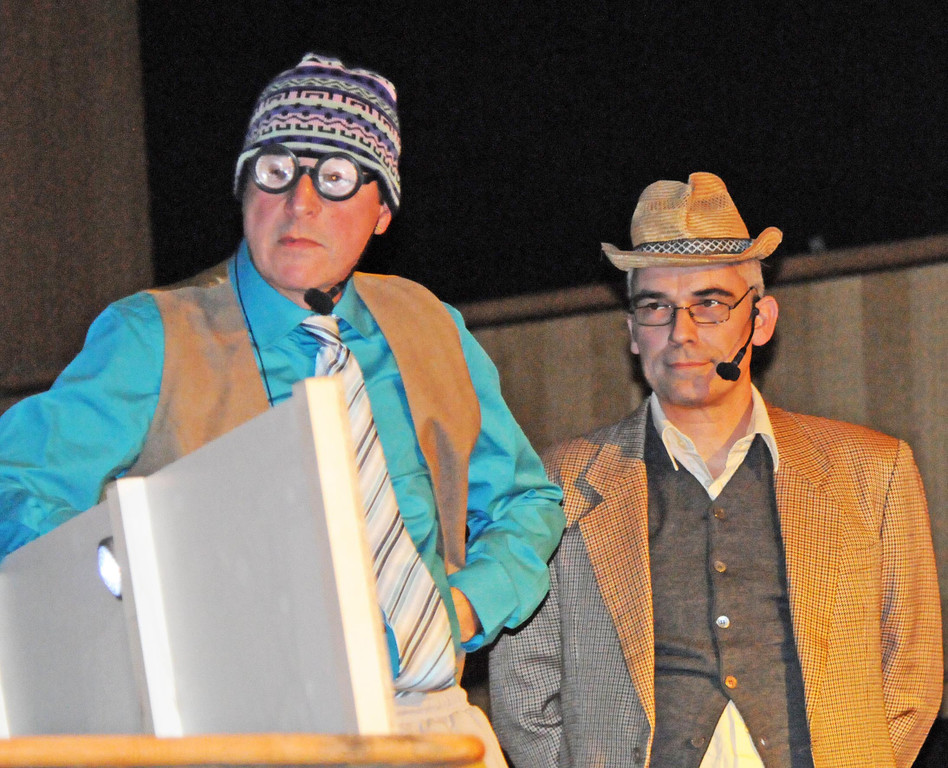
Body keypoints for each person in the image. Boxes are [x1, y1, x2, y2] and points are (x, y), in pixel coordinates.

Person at [0, 53, 564, 765]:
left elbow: (526, 500)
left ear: (382, 211)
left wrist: (467, 604)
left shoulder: (427, 322)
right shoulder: (155, 335)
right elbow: (16, 485)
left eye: (335, 178)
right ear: (243, 190)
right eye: (275, 171)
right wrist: (133, 587)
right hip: (247, 729)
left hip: (432, 717)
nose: (300, 204)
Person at [489, 172, 942, 768]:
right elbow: (524, 694)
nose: (681, 333)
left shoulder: (872, 471)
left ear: (761, 320)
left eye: (709, 304)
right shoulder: (561, 484)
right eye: (656, 306)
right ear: (632, 331)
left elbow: (910, 677)